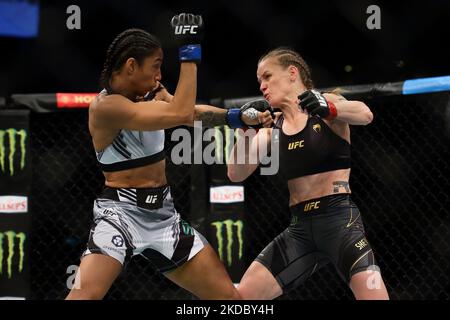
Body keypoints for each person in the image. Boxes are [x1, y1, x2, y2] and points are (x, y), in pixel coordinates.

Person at [66, 14, 271, 300]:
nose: (159, 76)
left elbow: (190, 112)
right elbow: (180, 113)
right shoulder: (105, 107)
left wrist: (236, 117)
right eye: (156, 67)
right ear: (130, 66)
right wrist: (189, 52)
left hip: (164, 217)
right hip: (120, 215)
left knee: (229, 300)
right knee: (83, 297)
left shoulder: (151, 94)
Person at [227, 47, 389, 300]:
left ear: (292, 73)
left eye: (267, 77)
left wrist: (329, 108)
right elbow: (236, 173)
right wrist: (245, 131)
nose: (262, 86)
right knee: (239, 298)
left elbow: (365, 114)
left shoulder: (326, 107)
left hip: (339, 223)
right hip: (298, 229)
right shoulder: (272, 127)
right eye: (259, 80)